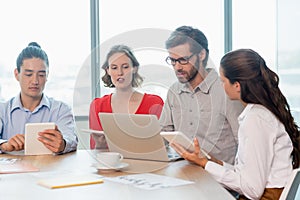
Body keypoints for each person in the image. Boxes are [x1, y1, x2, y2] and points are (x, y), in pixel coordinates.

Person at [171, 48, 300, 199]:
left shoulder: (255, 120)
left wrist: (206, 164)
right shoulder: (262, 113)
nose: (222, 86)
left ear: (237, 85)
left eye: (223, 81)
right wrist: (210, 161)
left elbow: (252, 189)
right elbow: (246, 174)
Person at [159, 26, 244, 164]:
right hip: (182, 170)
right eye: (173, 60)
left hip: (220, 176)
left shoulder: (226, 90)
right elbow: (163, 133)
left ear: (201, 55)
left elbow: (244, 142)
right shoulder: (174, 91)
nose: (177, 67)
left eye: (183, 60)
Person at [0, 42, 78, 154]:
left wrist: (63, 144)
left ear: (47, 76)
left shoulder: (61, 109)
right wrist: (3, 145)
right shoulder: (2, 110)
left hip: (49, 169)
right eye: (28, 74)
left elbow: (71, 138)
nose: (35, 81)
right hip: (13, 171)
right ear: (17, 74)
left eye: (41, 75)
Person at [89, 44, 164, 149]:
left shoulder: (154, 103)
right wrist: (100, 145)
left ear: (134, 68)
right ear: (108, 71)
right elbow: (94, 150)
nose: (120, 73)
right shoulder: (97, 106)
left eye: (125, 67)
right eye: (114, 68)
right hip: (111, 164)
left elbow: (162, 146)